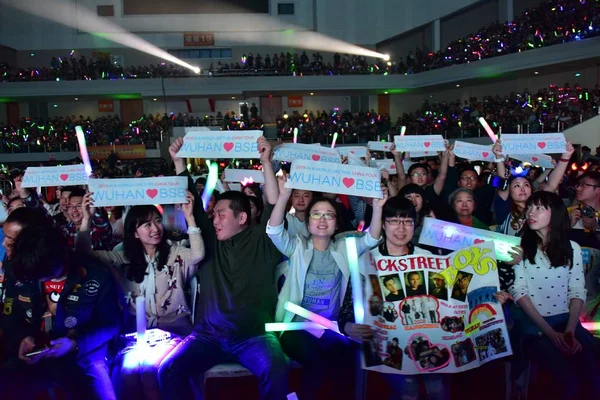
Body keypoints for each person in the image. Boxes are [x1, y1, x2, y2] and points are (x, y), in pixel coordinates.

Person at [158, 136, 288, 400]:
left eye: (220, 214)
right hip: (207, 337)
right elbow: (191, 198)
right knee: (168, 370)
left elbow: (274, 205)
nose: (214, 219)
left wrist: (266, 162)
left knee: (276, 369)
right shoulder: (208, 241)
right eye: (213, 214)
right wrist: (179, 163)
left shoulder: (262, 239)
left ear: (241, 218)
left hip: (254, 337)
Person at [266, 173, 385, 398]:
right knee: (317, 360)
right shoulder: (297, 247)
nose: (322, 220)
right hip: (297, 327)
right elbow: (274, 230)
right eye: (317, 214)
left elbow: (372, 239)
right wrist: (283, 197)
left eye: (329, 215)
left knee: (344, 359)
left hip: (331, 327)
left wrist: (377, 208)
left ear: (336, 222)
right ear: (308, 221)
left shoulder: (344, 248)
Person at [76, 193, 204, 400]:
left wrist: (190, 218)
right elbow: (83, 255)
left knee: (148, 372)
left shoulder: (175, 253)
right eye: (146, 225)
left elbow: (197, 255)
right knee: (127, 374)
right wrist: (86, 220)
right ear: (134, 232)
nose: (155, 229)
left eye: (157, 221)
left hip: (172, 330)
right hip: (135, 335)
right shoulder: (123, 257)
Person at [339, 197, 449, 399]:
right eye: (394, 221)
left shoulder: (428, 257)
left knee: (437, 389)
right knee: (408, 391)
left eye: (408, 221)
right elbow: (346, 311)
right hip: (388, 345)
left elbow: (448, 298)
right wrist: (348, 327)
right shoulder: (367, 261)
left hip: (428, 341)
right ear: (383, 224)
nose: (401, 228)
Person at [0, 221, 120, 399]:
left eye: (46, 275)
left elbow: (111, 323)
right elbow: (10, 315)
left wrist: (75, 343)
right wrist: (22, 338)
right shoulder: (20, 268)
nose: (41, 279)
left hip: (83, 353)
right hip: (36, 354)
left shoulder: (94, 273)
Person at [507, 191, 600, 400]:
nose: (531, 212)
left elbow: (577, 290)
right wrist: (550, 333)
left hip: (567, 321)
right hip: (535, 326)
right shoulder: (520, 248)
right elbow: (519, 291)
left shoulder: (572, 248)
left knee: (593, 377)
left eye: (539, 208)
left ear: (555, 214)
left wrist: (569, 331)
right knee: (569, 382)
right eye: (530, 207)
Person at [568, 171, 600, 249]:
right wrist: (568, 225)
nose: (578, 188)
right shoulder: (568, 212)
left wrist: (595, 227)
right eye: (578, 185)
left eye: (583, 185)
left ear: (598, 190)